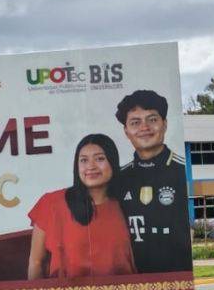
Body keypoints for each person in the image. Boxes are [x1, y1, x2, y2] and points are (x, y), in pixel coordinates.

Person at [27, 134, 136, 279]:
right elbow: (36, 262)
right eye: (84, 160)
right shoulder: (52, 203)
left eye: (100, 159)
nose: (91, 166)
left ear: (113, 162)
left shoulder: (125, 203)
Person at [114, 89, 193, 274]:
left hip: (178, 279)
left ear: (164, 124)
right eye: (135, 122)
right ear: (126, 131)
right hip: (131, 283)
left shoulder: (183, 172)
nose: (144, 127)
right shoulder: (117, 180)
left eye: (152, 119)